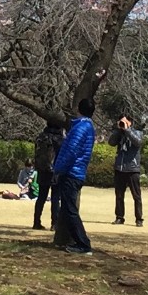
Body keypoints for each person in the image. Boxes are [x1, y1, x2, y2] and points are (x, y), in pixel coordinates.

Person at [49, 99, 95, 255]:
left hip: (71, 172)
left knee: (70, 209)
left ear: (78, 109)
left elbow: (71, 151)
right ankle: (75, 241)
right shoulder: (88, 127)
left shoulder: (81, 128)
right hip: (76, 172)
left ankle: (83, 243)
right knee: (68, 209)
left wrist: (58, 169)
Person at [111, 113, 145, 227]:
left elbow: (138, 142)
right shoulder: (119, 134)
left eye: (124, 121)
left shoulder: (137, 132)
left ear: (130, 122)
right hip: (120, 168)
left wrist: (127, 130)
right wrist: (118, 130)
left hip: (132, 168)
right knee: (119, 195)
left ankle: (139, 219)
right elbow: (111, 142)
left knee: (136, 196)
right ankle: (119, 217)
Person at [32, 117, 63, 231]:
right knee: (55, 197)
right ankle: (54, 223)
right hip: (55, 170)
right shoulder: (59, 139)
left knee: (41, 197)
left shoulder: (40, 137)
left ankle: (36, 221)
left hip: (42, 169)